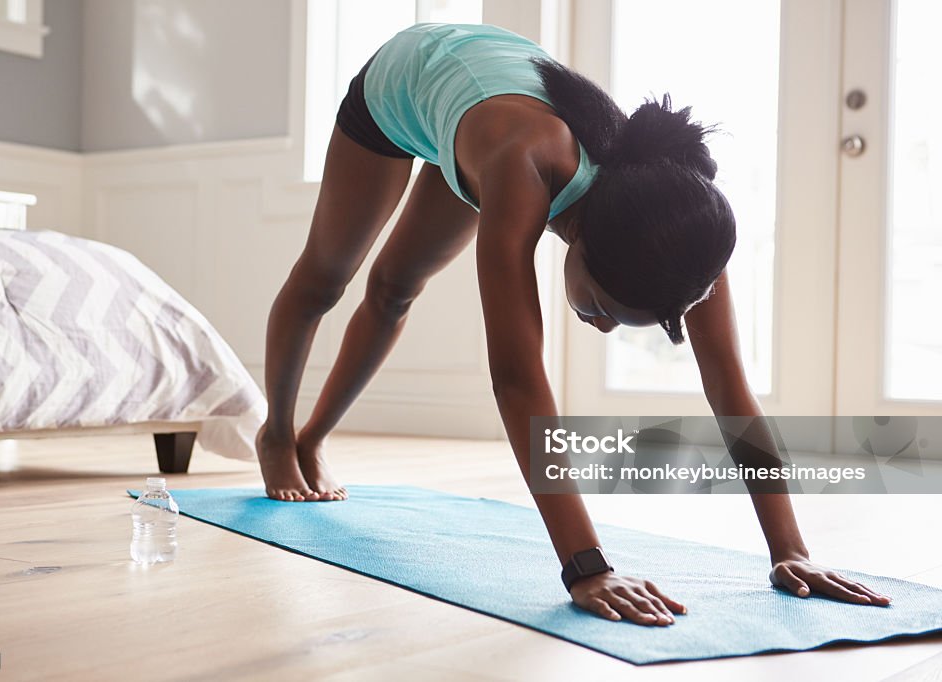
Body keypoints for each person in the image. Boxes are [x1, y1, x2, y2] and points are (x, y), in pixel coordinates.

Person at [257, 22, 891, 625]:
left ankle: (315, 440)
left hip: (477, 110)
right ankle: (280, 435)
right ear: (581, 242)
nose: (605, 328)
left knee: (397, 287)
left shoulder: (683, 218)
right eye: (606, 309)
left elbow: (729, 385)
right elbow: (515, 376)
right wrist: (586, 567)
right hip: (410, 81)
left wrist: (791, 550)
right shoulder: (523, 160)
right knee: (329, 278)